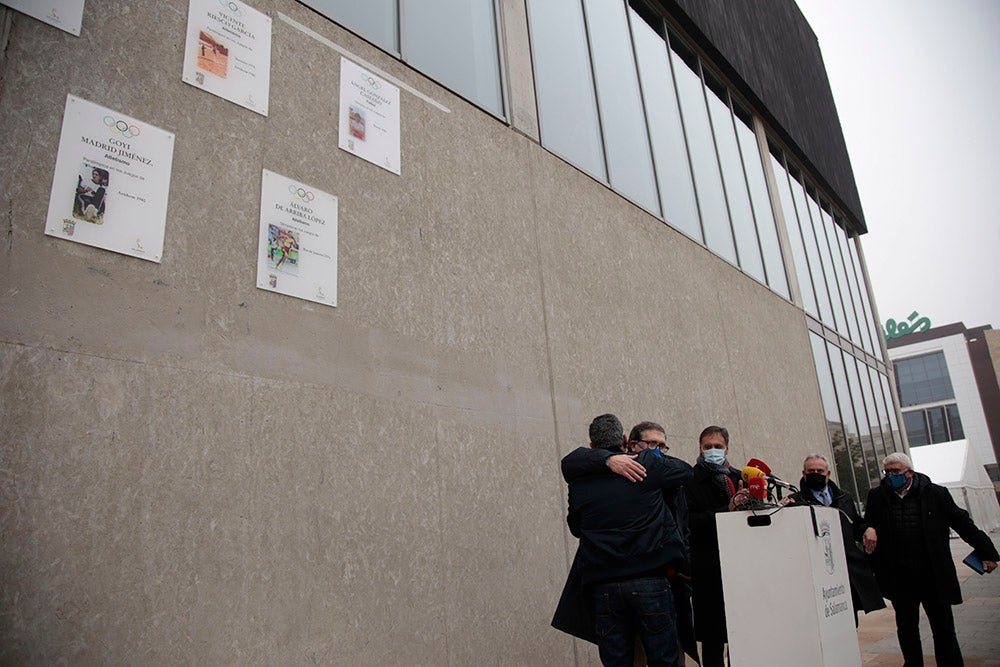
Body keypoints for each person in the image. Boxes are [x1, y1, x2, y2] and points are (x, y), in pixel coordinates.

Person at [553, 414, 693, 666]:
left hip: (605, 588)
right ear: (626, 440)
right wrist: (648, 454)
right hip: (650, 582)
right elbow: (685, 471)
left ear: (592, 445)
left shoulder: (580, 481)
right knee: (665, 659)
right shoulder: (646, 464)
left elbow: (576, 527)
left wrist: (604, 461)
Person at [865, 452, 998, 666]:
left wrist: (987, 552)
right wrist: (868, 528)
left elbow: (962, 523)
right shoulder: (877, 496)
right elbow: (866, 522)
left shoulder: (936, 494)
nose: (891, 476)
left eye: (896, 471)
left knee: (943, 627)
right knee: (907, 628)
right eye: (887, 472)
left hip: (932, 574)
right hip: (900, 577)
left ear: (910, 472)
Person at [783, 454, 885, 621]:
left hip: (846, 568)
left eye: (820, 471)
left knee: (848, 620)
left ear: (828, 473)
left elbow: (855, 524)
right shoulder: (795, 501)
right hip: (816, 573)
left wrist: (868, 529)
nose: (816, 473)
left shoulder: (844, 497)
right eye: (811, 471)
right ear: (803, 473)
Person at [684, 425, 745, 667]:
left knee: (743, 634)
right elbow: (688, 521)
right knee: (712, 640)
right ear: (699, 448)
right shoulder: (689, 481)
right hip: (707, 570)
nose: (712, 451)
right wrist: (725, 512)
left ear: (727, 448)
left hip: (740, 568)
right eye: (707, 447)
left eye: (717, 447)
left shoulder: (740, 478)